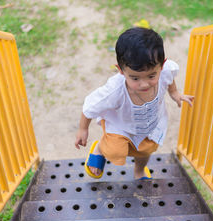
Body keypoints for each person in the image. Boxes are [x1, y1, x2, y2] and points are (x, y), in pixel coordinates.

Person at [74, 27, 193, 180]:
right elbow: (90, 106)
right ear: (121, 70)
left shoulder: (166, 71)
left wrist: (175, 93)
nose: (144, 84)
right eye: (135, 78)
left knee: (145, 151)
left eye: (151, 76)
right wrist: (83, 129)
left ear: (161, 66)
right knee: (115, 151)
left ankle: (139, 170)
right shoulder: (115, 90)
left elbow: (170, 79)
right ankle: (99, 149)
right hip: (120, 125)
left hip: (150, 124)